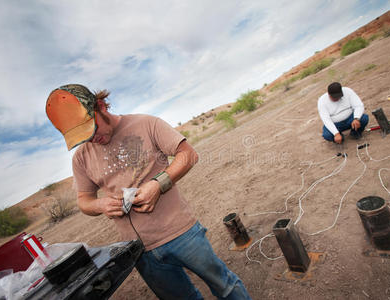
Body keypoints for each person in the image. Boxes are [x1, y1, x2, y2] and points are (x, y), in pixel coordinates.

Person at [46, 84, 252, 300]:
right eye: (82, 136)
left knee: (225, 285)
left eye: (92, 129)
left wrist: (158, 184)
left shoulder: (145, 123)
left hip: (181, 233)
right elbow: (83, 200)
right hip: (139, 251)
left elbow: (188, 154)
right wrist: (100, 205)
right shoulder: (81, 157)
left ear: (101, 106)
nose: (91, 138)